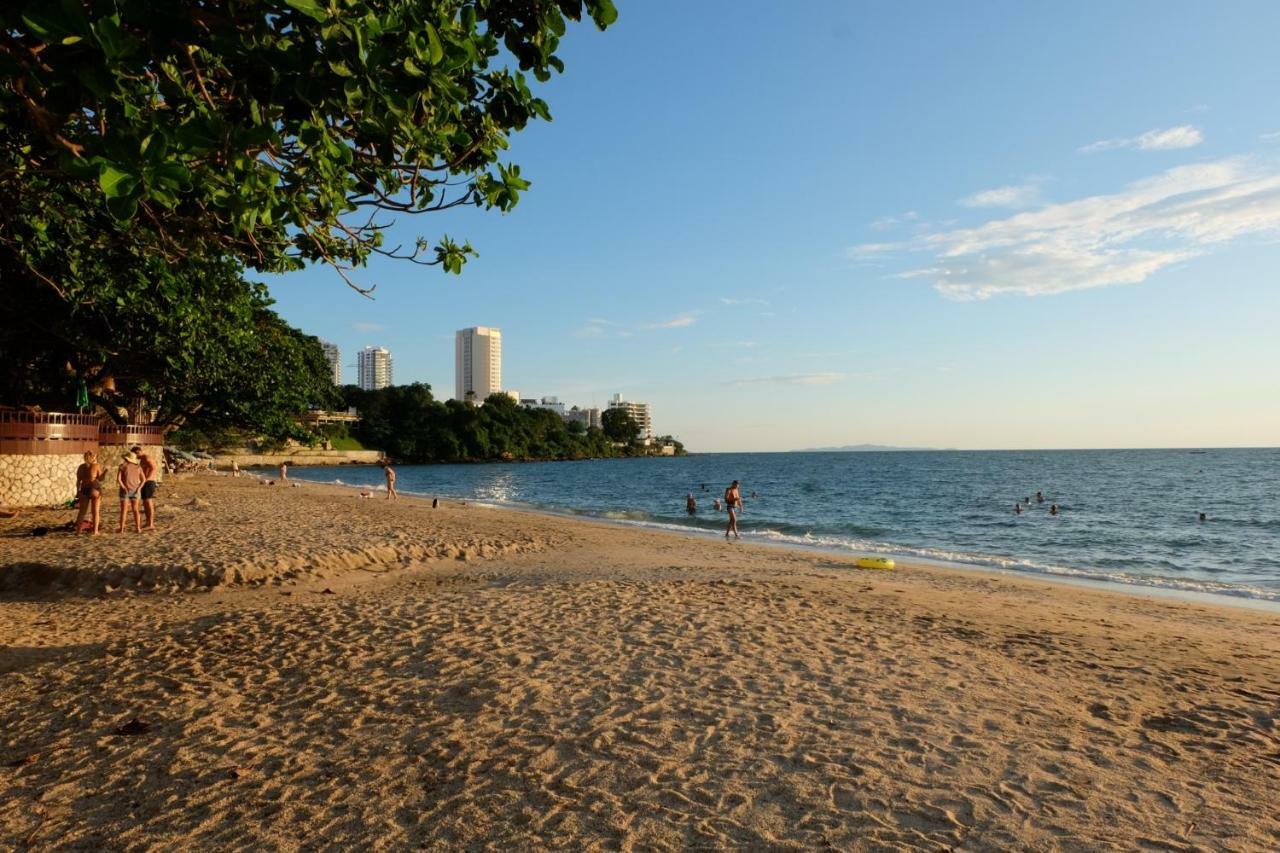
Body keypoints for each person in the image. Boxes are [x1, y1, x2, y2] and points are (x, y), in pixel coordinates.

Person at [116, 451, 145, 533]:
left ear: (126, 458)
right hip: (135, 490)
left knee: (124, 511)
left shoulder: (122, 466)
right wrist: (139, 488)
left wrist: (124, 487)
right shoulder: (138, 467)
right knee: (136, 510)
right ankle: (138, 528)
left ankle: (121, 528)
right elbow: (143, 480)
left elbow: (119, 479)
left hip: (125, 490)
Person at [74, 450, 103, 535]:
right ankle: (95, 531)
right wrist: (105, 472)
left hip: (83, 489)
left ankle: (78, 531)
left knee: (82, 512)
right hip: (94, 489)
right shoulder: (96, 466)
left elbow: (78, 481)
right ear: (93, 457)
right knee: (95, 511)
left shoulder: (81, 467)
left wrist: (77, 491)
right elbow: (100, 478)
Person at [134, 446, 159, 531]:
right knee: (145, 502)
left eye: (136, 454)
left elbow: (154, 468)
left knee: (148, 501)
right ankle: (148, 522)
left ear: (139, 451)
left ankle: (151, 523)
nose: (136, 457)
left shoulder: (147, 458)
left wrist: (147, 479)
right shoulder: (142, 460)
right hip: (145, 482)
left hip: (149, 482)